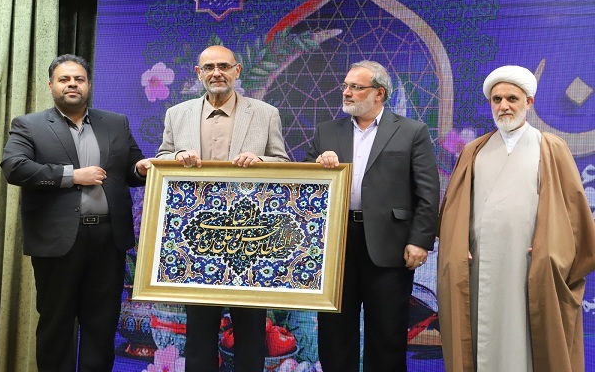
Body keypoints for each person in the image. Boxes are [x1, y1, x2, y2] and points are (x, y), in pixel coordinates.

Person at [437, 65, 595, 372]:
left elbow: (574, 214)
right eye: (497, 100)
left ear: (529, 103)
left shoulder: (551, 147)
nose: (504, 106)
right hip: (480, 265)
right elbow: (454, 210)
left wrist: (552, 248)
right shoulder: (473, 151)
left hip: (530, 266)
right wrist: (458, 246)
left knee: (525, 338)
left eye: (512, 98)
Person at [0, 54, 150, 371]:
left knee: (102, 326)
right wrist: (71, 176)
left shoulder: (116, 122)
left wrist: (141, 168)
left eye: (79, 79)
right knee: (56, 326)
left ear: (88, 85)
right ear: (51, 85)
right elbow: (14, 168)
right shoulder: (28, 125)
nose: (72, 84)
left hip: (109, 240)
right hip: (57, 241)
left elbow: (131, 169)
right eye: (64, 79)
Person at [156, 45, 289, 371]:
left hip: (250, 239)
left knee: (251, 333)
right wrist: (177, 157)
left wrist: (261, 161)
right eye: (209, 67)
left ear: (237, 70)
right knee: (199, 334)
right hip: (198, 239)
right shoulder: (177, 114)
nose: (217, 73)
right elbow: (161, 159)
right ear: (199, 73)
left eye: (224, 66)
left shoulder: (265, 113)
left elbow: (284, 166)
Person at [304, 60, 440, 371]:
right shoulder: (327, 131)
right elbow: (305, 185)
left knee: (387, 333)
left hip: (390, 243)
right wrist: (317, 165)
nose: (346, 92)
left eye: (356, 87)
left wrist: (420, 240)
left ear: (379, 93)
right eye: (346, 86)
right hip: (337, 246)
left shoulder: (411, 131)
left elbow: (427, 191)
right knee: (334, 335)